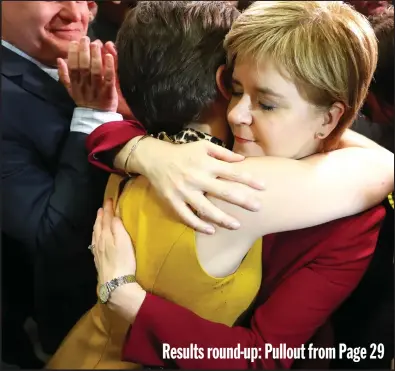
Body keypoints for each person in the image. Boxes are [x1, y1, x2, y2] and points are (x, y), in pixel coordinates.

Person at [49, 1, 393, 369]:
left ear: (328, 119)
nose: (235, 113)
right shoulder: (220, 143)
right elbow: (121, 126)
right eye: (235, 89)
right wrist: (143, 151)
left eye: (267, 103)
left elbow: (261, 357)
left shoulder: (352, 219)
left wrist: (129, 299)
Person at [1, 0, 128, 363]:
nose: (79, 15)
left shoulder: (99, 45)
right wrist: (93, 117)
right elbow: (50, 237)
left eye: (87, 0)